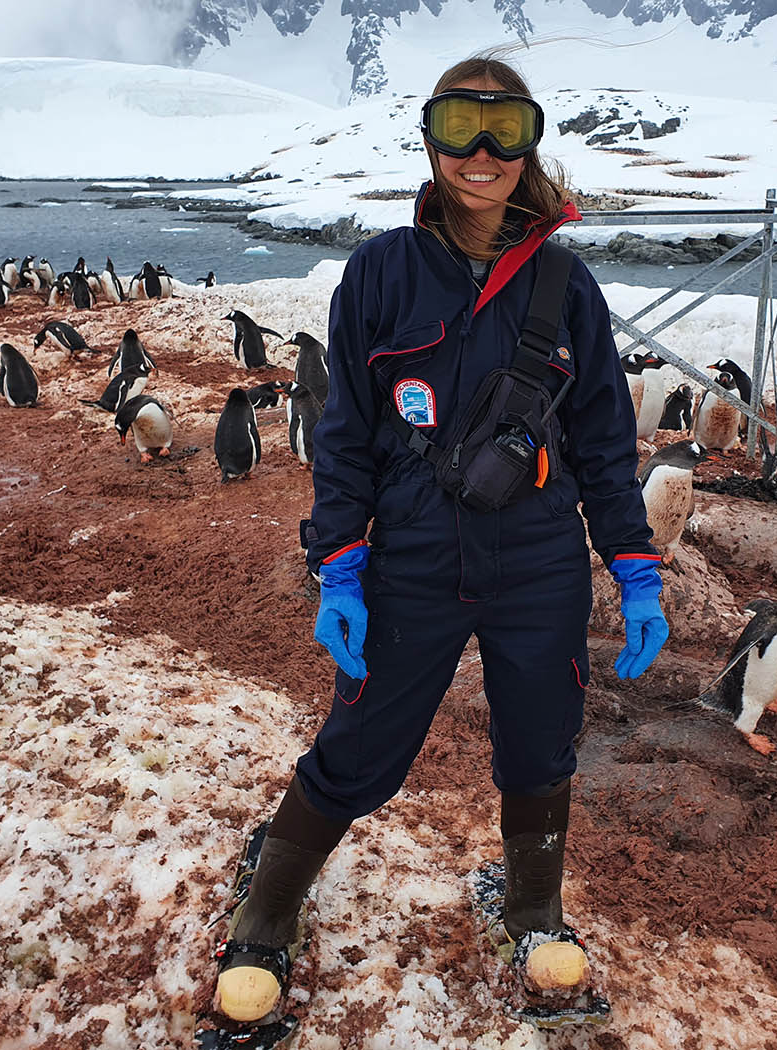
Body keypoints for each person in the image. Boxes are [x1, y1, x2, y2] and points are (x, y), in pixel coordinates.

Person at [213, 55, 669, 1024]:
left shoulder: (563, 283)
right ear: (429, 138)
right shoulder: (380, 272)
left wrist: (633, 565)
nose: (481, 151)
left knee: (541, 745)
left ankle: (535, 911)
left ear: (529, 143)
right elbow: (342, 434)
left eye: (504, 128)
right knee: (363, 742)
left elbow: (600, 437)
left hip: (539, 554)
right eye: (461, 123)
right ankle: (265, 912)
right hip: (415, 550)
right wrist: (338, 564)